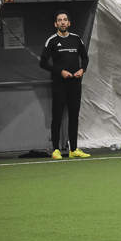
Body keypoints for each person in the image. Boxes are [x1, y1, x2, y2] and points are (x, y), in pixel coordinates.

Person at [40, 10, 91, 159]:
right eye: (60, 20)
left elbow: (85, 57)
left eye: (65, 20)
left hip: (75, 83)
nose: (62, 22)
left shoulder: (76, 39)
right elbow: (43, 62)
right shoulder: (52, 41)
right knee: (57, 115)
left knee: (74, 115)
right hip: (59, 84)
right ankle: (56, 149)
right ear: (55, 24)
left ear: (69, 23)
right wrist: (60, 72)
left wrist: (82, 70)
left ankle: (73, 149)